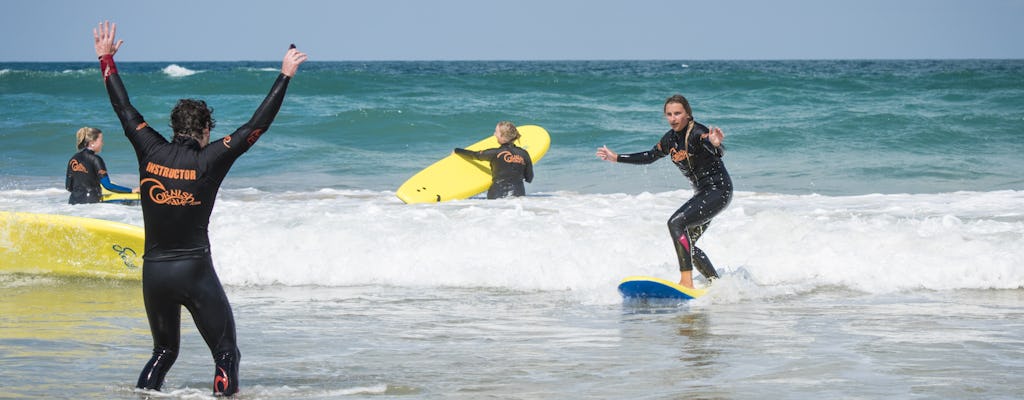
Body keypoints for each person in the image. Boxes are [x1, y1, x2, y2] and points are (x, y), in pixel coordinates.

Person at [93, 21, 307, 396]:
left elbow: (123, 108)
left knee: (163, 351)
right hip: (194, 271)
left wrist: (106, 58)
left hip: (155, 273)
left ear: (173, 127)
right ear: (206, 130)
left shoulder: (149, 147)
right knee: (225, 353)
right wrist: (285, 76)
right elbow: (257, 125)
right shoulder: (211, 159)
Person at [596, 94, 732, 289]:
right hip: (703, 195)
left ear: (688, 114)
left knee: (676, 223)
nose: (673, 118)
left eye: (678, 113)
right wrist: (617, 157)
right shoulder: (670, 139)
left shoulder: (698, 133)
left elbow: (714, 148)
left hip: (718, 191)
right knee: (686, 244)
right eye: (669, 114)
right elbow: (651, 155)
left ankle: (687, 282)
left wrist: (716, 144)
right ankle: (717, 286)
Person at [454, 121, 534, 199]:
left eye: (496, 132)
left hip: (497, 195)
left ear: (502, 136)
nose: (494, 134)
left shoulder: (494, 153)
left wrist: (457, 150)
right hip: (518, 196)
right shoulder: (524, 154)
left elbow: (475, 155)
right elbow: (529, 178)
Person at [65, 126, 138, 204]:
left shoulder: (73, 158)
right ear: (92, 143)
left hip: (73, 203)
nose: (102, 143)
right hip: (91, 203)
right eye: (101, 140)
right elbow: (107, 186)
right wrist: (131, 191)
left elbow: (68, 187)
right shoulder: (96, 159)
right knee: (129, 204)